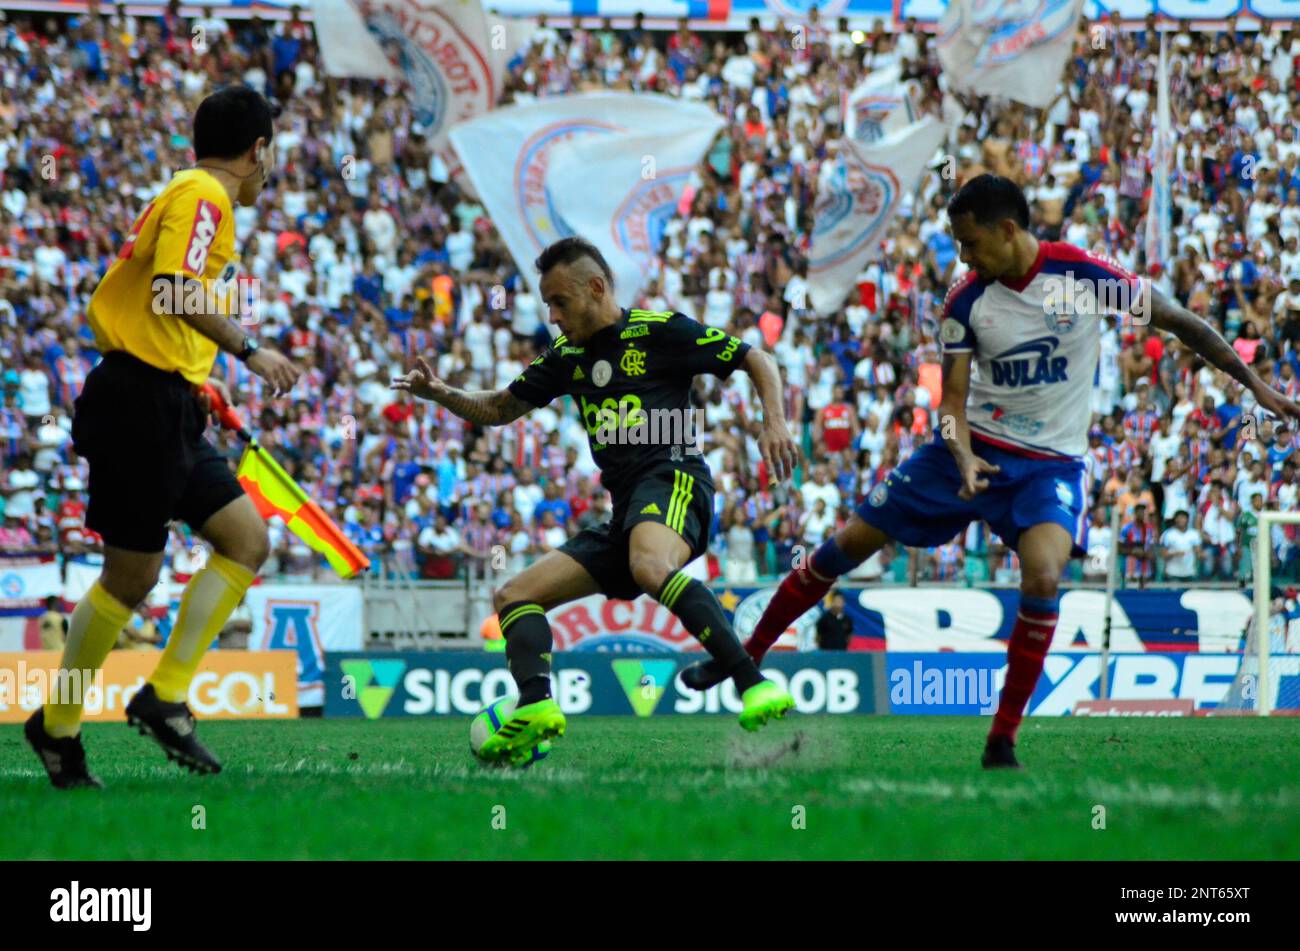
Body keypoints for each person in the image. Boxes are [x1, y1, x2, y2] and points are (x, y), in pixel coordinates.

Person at [682, 174, 1300, 768]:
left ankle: (1001, 741)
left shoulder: (1081, 278)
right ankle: (744, 659)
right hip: (967, 449)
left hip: (1049, 466)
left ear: (1008, 230)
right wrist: (960, 452)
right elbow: (950, 405)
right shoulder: (966, 299)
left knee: (1042, 575)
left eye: (970, 242)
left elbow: (1181, 323)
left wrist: (1254, 386)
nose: (963, 255)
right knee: (844, 545)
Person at [392, 237, 801, 764]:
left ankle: (752, 682)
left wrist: (774, 423)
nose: (553, 316)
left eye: (560, 302)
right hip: (627, 513)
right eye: (547, 305)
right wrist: (441, 393)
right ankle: (536, 705)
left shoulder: (660, 331)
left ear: (597, 287)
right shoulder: (566, 357)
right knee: (514, 596)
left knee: (649, 563)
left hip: (676, 480)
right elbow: (500, 408)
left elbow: (756, 358)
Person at [25, 86, 301, 790]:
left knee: (246, 539)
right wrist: (250, 349)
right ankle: (57, 727)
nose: (271, 169)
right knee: (132, 575)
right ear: (258, 149)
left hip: (168, 400)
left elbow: (163, 304)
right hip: (137, 402)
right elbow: (175, 290)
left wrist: (199, 379)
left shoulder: (192, 194)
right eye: (272, 154)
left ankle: (164, 695)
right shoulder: (205, 194)